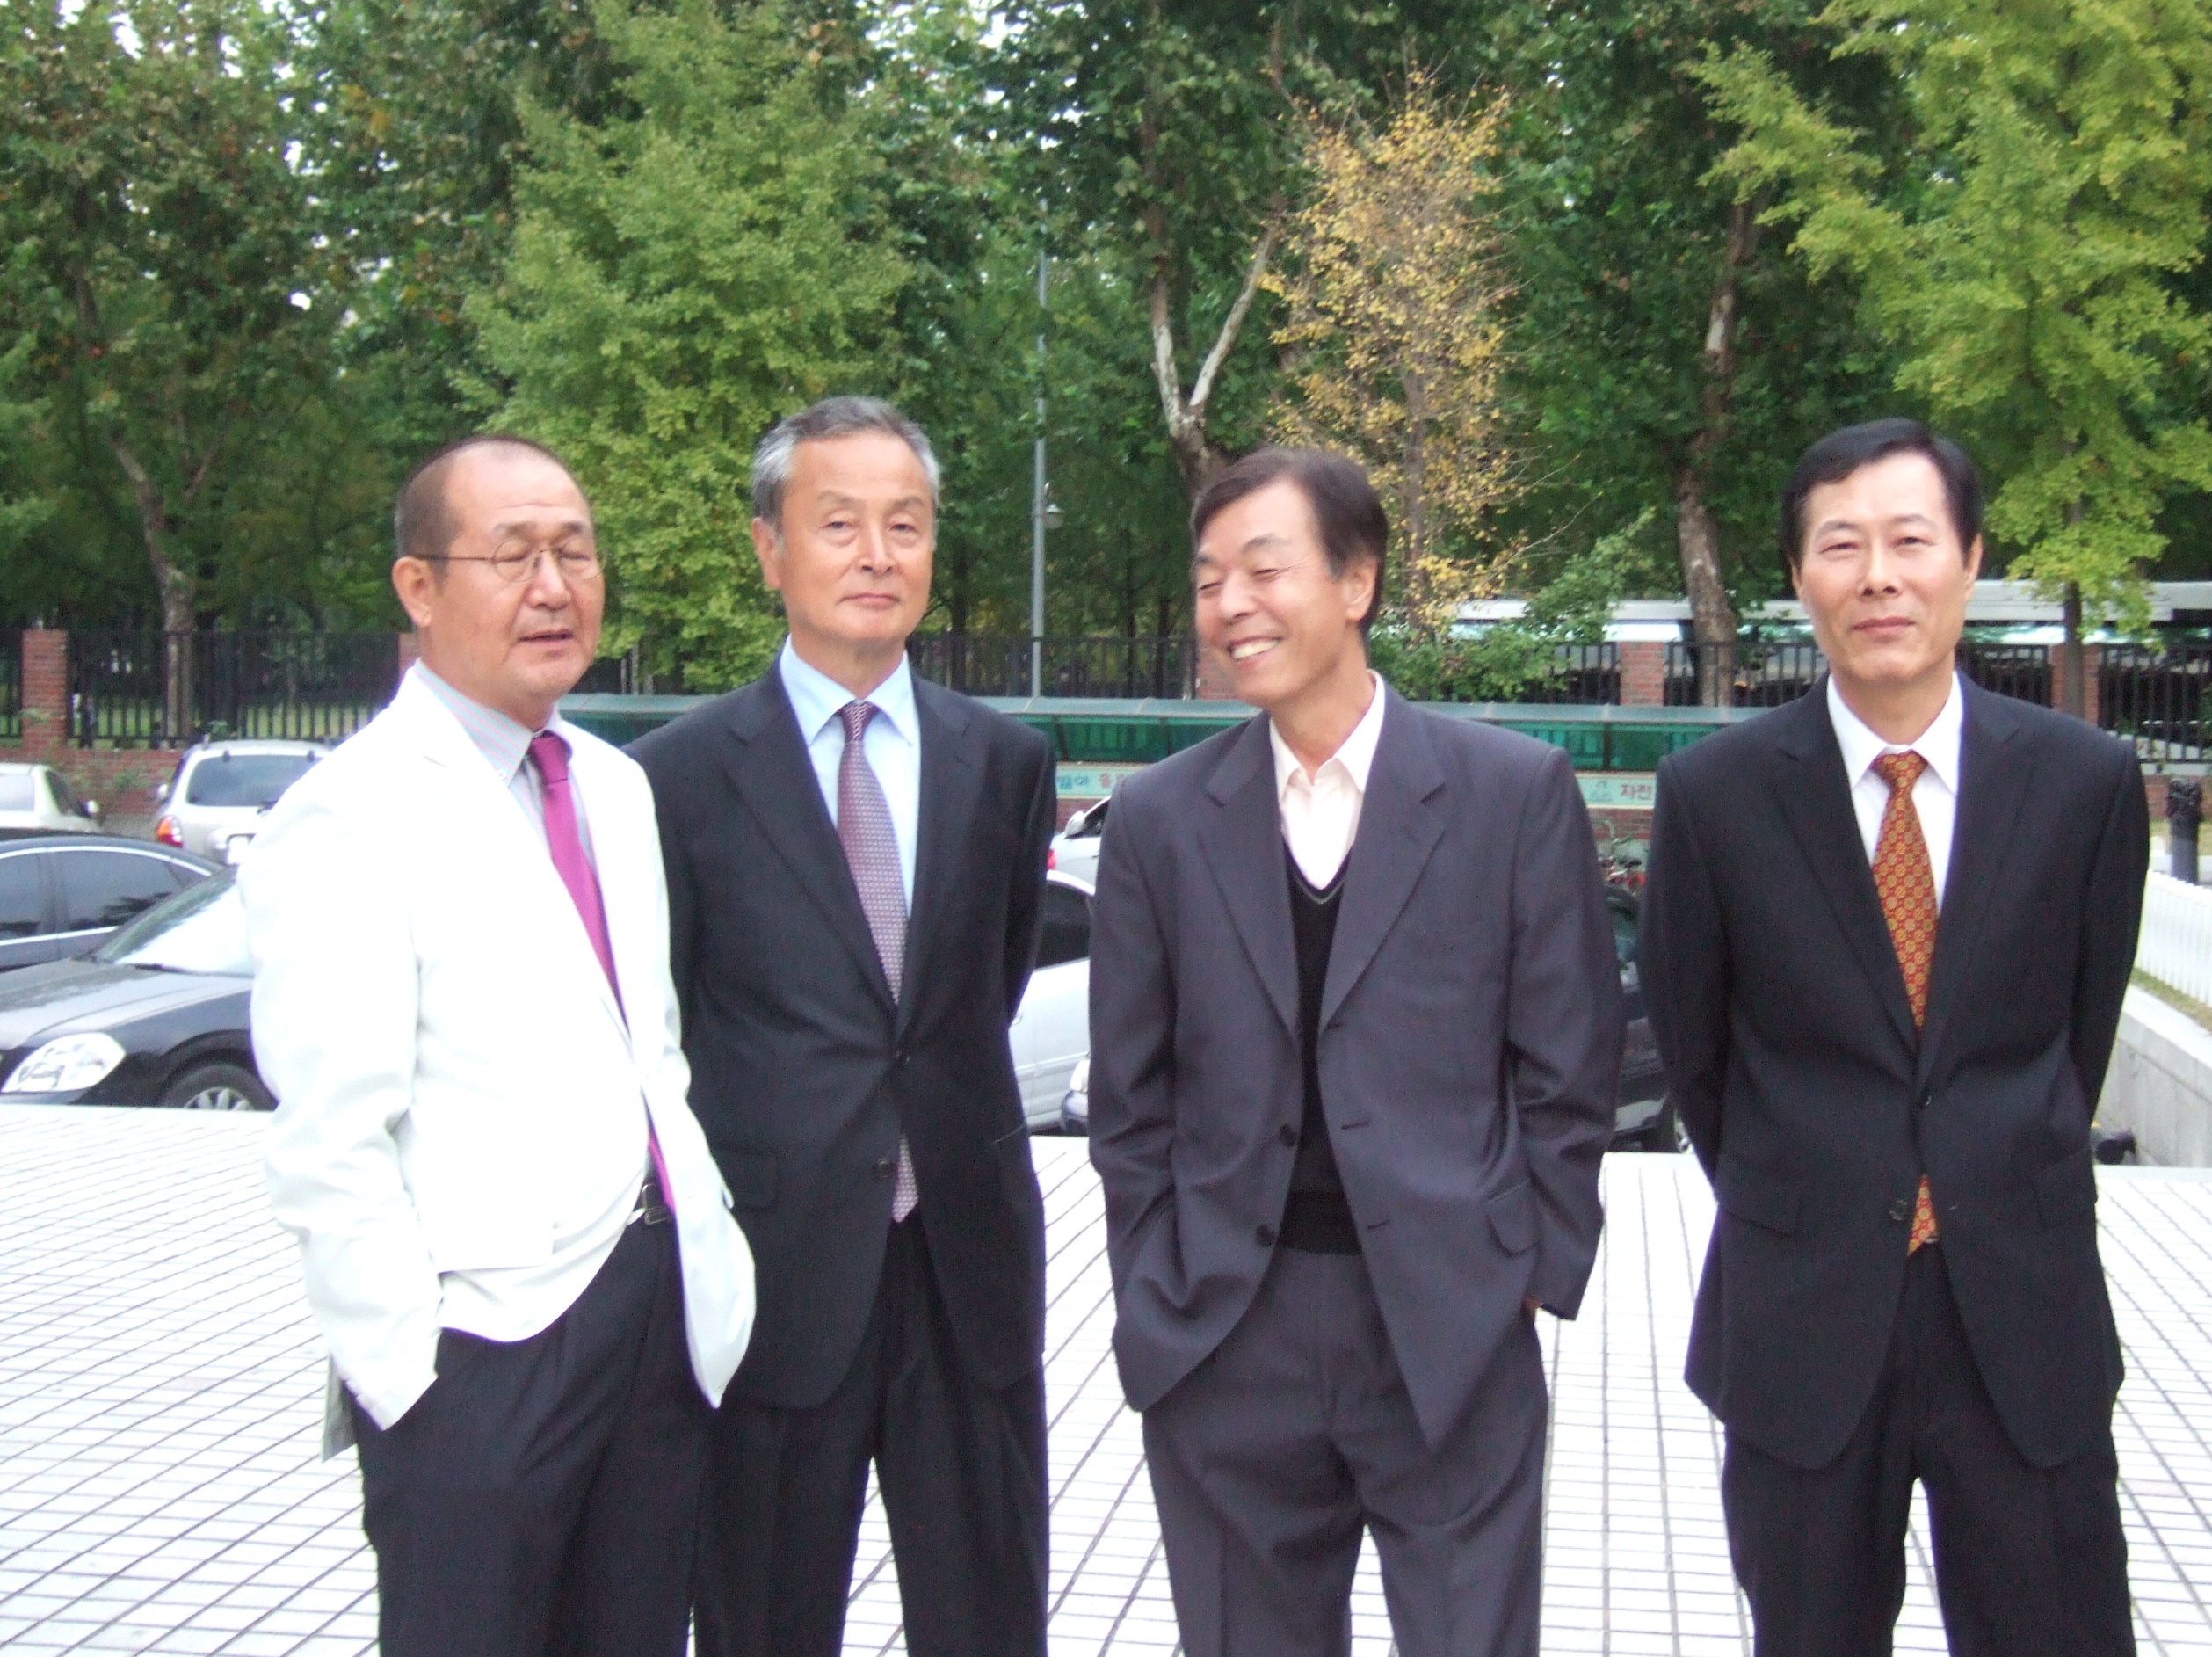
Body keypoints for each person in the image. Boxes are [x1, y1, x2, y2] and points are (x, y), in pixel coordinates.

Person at [1088, 446, 1624, 1657]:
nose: (1231, 604)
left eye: (1264, 569)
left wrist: (1525, 1269)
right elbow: (1130, 1097)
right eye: (1209, 579)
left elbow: (1568, 1068)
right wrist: (1157, 1285)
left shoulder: (1510, 794)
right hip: (1227, 1331)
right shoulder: (1162, 818)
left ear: (1357, 581)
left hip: (1450, 1325)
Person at [1639, 418, 2145, 1656]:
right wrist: (1819, 1180)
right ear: (1799, 576)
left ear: (1969, 560)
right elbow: (1699, 1056)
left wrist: (1980, 1162)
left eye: (1911, 541)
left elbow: (2077, 1037)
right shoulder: (1716, 798)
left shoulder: (2083, 784)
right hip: (1805, 1313)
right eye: (1841, 546)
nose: (1879, 577)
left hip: (2019, 1311)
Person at [245, 436, 756, 1657]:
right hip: (483, 1355)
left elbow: (650, 1048)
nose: (553, 586)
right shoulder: (349, 813)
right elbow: (328, 1137)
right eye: (513, 554)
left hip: (658, 1318)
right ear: (419, 588)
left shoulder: (615, 786)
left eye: (575, 552)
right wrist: (410, 1383)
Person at [629, 396, 1058, 1657]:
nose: (877, 555)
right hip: (775, 1268)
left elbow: (980, 993)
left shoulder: (1005, 762)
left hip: (965, 1264)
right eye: (839, 525)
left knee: (987, 1619)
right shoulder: (677, 776)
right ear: (770, 548)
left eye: (905, 525)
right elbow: (669, 1021)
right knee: (762, 1620)